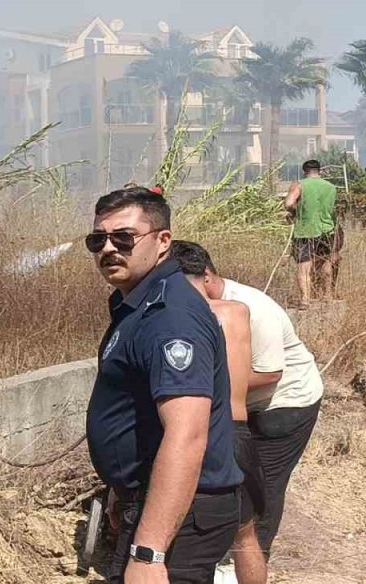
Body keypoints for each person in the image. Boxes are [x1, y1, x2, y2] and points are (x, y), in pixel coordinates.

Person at [85, 187, 241, 584]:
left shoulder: (170, 317)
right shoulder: (141, 302)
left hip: (183, 514)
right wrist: (124, 489)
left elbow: (187, 433)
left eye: (123, 238)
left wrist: (150, 552)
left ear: (162, 241)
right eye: (97, 240)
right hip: (157, 501)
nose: (108, 248)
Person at [162, 242, 323, 557]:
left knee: (264, 484)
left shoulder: (253, 309)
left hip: (287, 403)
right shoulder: (197, 309)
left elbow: (269, 373)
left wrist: (203, 386)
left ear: (206, 277)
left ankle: (254, 556)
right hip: (243, 405)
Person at [170, 241, 265, 584]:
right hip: (241, 431)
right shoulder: (237, 311)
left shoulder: (185, 319)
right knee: (246, 536)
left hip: (210, 434)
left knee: (190, 543)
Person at [283, 159, 338, 308]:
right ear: (319, 171)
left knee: (304, 266)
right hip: (327, 229)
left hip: (305, 231)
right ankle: (327, 296)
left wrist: (294, 211)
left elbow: (288, 203)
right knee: (325, 263)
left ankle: (305, 300)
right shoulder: (331, 187)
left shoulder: (300, 184)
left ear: (304, 171)